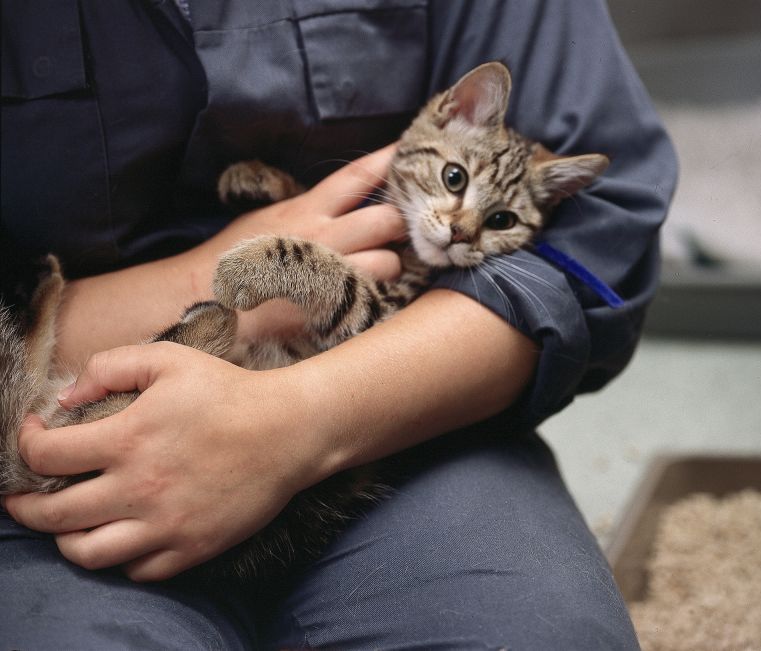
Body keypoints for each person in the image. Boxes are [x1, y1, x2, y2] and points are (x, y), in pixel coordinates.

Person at [0, 1, 676, 648]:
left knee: (537, 630)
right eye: (454, 181)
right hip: (79, 410)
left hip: (395, 436)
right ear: (448, 115)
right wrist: (201, 278)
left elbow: (605, 235)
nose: (461, 227)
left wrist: (296, 418)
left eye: (498, 221)